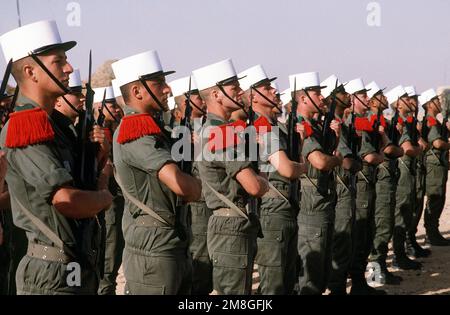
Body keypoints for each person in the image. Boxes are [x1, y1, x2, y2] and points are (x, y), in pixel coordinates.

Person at [0, 20, 113, 295]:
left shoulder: (57, 126)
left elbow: (78, 182)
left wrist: (99, 158)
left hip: (77, 261)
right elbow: (67, 200)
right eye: (58, 61)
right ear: (31, 71)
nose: (69, 68)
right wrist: (104, 197)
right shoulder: (25, 127)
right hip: (52, 273)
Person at [112, 50, 201, 294]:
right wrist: (196, 187)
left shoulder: (154, 129)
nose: (168, 89)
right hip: (153, 249)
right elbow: (182, 186)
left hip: (170, 241)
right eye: (158, 83)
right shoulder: (135, 131)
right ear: (137, 91)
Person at [193, 59, 269, 295]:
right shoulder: (221, 133)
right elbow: (254, 186)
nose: (239, 92)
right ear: (216, 94)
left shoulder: (218, 130)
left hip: (232, 222)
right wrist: (263, 181)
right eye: (233, 87)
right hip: (231, 224)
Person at [239, 65, 306, 294]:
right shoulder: (261, 127)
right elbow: (287, 169)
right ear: (253, 97)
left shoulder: (275, 127)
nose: (275, 91)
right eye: (267, 88)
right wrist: (304, 167)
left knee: (287, 279)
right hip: (272, 209)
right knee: (274, 285)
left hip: (285, 206)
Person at [290, 71, 342, 295]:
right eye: (317, 93)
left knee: (321, 272)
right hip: (312, 206)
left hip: (322, 201)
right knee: (310, 279)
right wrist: (338, 159)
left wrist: (336, 139)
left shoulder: (316, 126)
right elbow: (320, 161)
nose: (322, 98)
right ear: (302, 99)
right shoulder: (302, 126)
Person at [169, 76, 211, 294]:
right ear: (184, 103)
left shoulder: (205, 125)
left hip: (208, 198)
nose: (203, 101)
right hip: (195, 202)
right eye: (197, 97)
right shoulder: (177, 131)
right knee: (198, 257)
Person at [420, 88, 450, 246]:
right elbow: (437, 143)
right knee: (435, 197)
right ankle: (431, 234)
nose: (439, 103)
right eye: (436, 101)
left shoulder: (434, 120)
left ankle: (433, 232)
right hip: (434, 163)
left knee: (438, 197)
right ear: (429, 104)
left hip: (439, 163)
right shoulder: (430, 121)